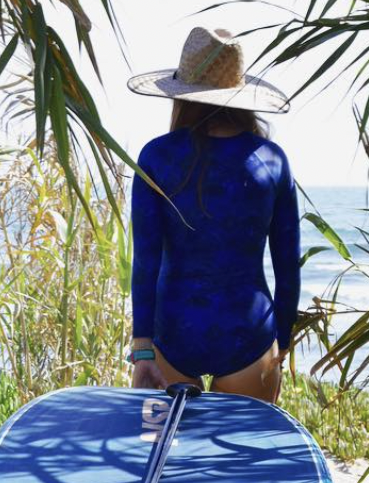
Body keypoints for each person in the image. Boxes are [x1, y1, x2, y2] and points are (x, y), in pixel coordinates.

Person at [125, 27, 300, 403]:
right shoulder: (272, 161)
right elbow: (288, 267)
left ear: (182, 96)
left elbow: (146, 262)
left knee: (161, 453)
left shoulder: (156, 158)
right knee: (238, 461)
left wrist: (142, 348)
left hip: (172, 334)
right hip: (249, 336)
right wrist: (281, 342)